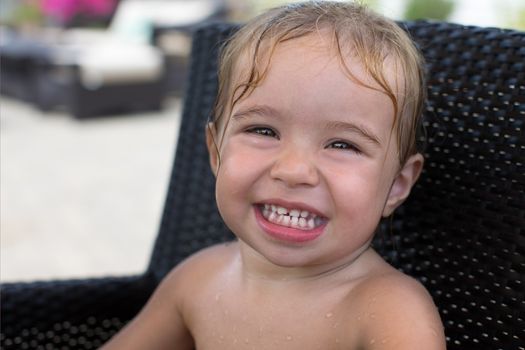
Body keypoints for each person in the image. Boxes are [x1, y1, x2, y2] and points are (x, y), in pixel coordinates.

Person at [102, 1, 446, 349]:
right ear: (216, 152)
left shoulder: (389, 312)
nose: (294, 170)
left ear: (397, 185)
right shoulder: (196, 280)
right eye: (264, 131)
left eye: (342, 145)